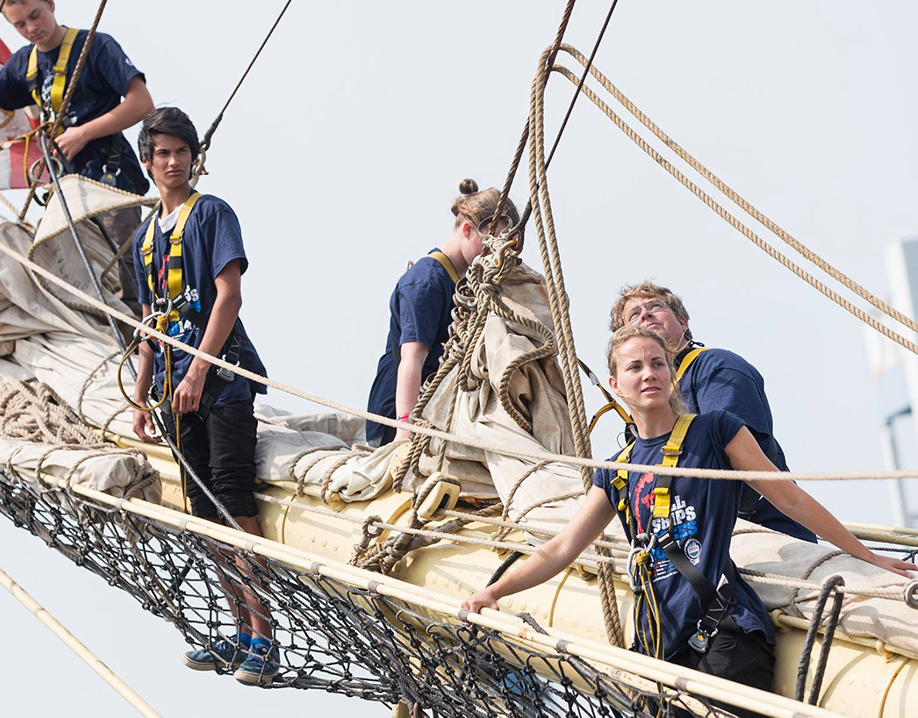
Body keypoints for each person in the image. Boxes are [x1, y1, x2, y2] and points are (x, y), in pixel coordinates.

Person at [462, 324, 914, 706]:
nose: (649, 374)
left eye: (658, 363)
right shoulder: (617, 471)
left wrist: (865, 557)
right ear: (615, 384)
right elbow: (561, 548)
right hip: (659, 649)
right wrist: (494, 591)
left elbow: (788, 498)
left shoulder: (714, 432)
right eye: (635, 367)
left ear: (672, 374)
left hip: (723, 632)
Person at [127, 107, 276, 685]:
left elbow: (228, 296)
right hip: (173, 392)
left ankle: (263, 636)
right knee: (203, 513)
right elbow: (148, 324)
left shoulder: (211, 213)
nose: (172, 161)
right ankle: (239, 631)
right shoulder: (144, 240)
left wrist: (196, 372)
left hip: (221, 383)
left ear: (195, 157)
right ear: (147, 161)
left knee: (235, 503)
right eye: (161, 153)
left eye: (180, 151)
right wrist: (143, 396)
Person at [0, 0, 154, 313]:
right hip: (66, 191)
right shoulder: (24, 64)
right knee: (76, 283)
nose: (31, 28)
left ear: (51, 3)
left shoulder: (94, 46)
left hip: (111, 182)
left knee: (130, 281)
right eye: (19, 24)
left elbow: (141, 102)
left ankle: (146, 348)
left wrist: (83, 132)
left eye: (35, 15)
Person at [609, 281, 816, 542]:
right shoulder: (647, 410)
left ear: (683, 322)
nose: (645, 314)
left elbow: (728, 456)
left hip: (762, 532)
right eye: (634, 315)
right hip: (694, 541)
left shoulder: (714, 366)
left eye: (655, 307)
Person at [364, 180, 519, 446]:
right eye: (492, 246)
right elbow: (411, 357)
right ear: (469, 230)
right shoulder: (426, 281)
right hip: (402, 410)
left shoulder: (463, 282)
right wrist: (405, 427)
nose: (497, 256)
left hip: (437, 408)